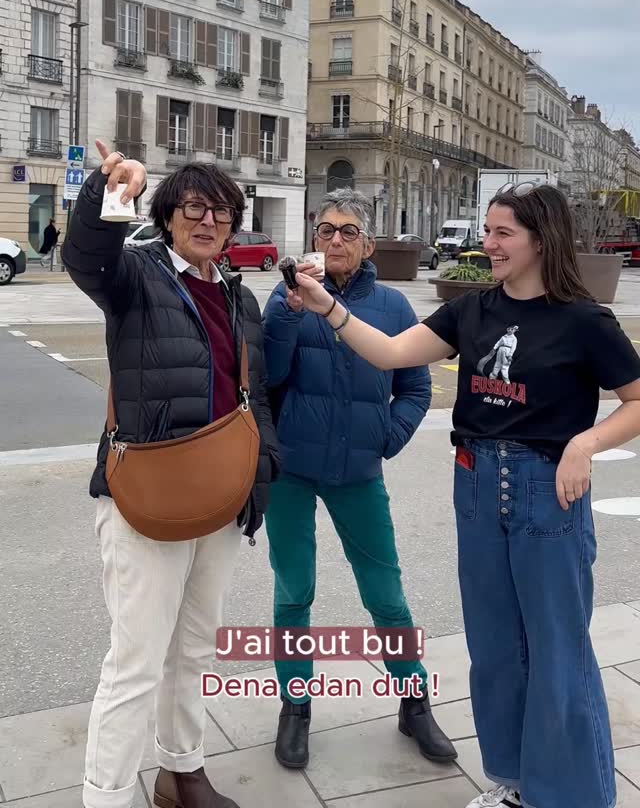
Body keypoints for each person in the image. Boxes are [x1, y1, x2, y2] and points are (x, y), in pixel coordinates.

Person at [291, 182, 640, 808]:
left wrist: (584, 445)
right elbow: (394, 353)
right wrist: (327, 308)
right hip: (476, 484)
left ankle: (571, 797)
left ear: (542, 238)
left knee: (557, 651)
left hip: (546, 491)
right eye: (488, 230)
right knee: (494, 647)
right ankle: (513, 782)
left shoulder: (584, 320)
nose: (489, 242)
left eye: (503, 232)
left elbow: (637, 400)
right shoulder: (473, 311)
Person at [62, 140, 279, 808]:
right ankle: (106, 796)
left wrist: (260, 474)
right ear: (167, 216)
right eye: (192, 208)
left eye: (219, 211)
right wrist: (108, 196)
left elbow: (254, 397)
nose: (207, 221)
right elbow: (85, 257)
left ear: (233, 224)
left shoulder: (241, 299)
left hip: (219, 498)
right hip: (146, 497)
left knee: (194, 651)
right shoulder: (134, 275)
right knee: (134, 663)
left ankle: (182, 774)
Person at [262, 188, 457, 770]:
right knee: (294, 592)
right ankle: (294, 708)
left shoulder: (394, 307)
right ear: (313, 239)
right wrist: (286, 311)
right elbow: (268, 377)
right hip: (292, 471)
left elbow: (416, 387)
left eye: (348, 231)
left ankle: (414, 703)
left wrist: (387, 437)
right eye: (326, 231)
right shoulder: (286, 296)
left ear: (367, 243)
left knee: (386, 596)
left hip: (358, 471)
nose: (336, 240)